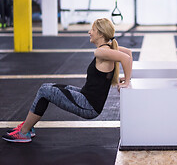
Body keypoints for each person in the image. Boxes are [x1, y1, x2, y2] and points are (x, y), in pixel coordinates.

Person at [2, 18, 133, 143]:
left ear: (99, 33)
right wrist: (127, 77)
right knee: (47, 86)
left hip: (88, 106)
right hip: (86, 97)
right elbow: (128, 53)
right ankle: (28, 127)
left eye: (92, 29)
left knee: (44, 91)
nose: (89, 32)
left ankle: (24, 132)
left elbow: (126, 58)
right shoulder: (110, 47)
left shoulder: (101, 52)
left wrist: (126, 81)